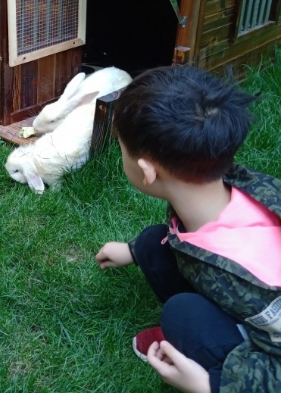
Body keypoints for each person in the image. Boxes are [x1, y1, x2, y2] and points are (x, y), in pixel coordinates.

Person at [95, 66, 281, 393]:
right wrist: (133, 251)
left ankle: (206, 351)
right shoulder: (225, 186)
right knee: (154, 241)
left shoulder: (258, 285)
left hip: (266, 344)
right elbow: (176, 238)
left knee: (182, 315)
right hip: (231, 290)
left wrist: (210, 386)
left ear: (146, 171)